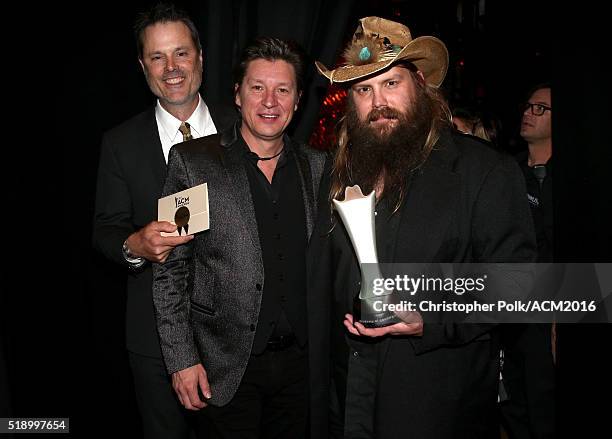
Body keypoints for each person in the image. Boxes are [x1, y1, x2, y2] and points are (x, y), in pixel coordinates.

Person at [309, 16, 536, 438]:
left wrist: (430, 316)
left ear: (420, 85)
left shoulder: (482, 171)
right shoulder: (339, 174)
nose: (378, 102)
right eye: (363, 90)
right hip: (349, 398)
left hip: (433, 406)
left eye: (391, 84)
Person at [152, 37, 327, 439]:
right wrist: (181, 359)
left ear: (298, 100)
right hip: (225, 370)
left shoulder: (318, 167)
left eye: (283, 90)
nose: (270, 101)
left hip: (301, 371)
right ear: (237, 94)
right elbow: (171, 270)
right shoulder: (192, 162)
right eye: (257, 87)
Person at [92, 3, 235, 438]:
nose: (171, 67)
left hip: (236, 338)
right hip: (154, 342)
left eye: (181, 53)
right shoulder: (120, 143)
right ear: (142, 66)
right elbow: (105, 229)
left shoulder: (241, 130)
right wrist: (134, 245)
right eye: (157, 57)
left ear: (201, 57)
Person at [500, 83, 556, 439]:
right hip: (511, 312)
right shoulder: (507, 173)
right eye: (527, 105)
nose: (527, 113)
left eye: (540, 109)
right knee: (512, 404)